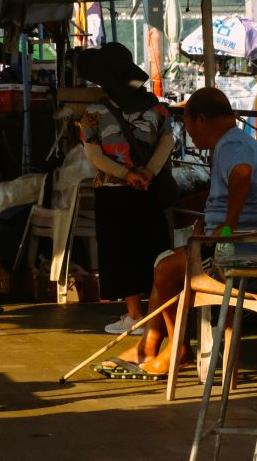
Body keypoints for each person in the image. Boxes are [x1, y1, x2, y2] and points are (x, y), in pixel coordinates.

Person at [130, 87, 257, 376]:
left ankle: (177, 348)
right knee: (166, 262)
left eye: (188, 125)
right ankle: (153, 342)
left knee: (166, 270)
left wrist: (226, 228)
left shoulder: (231, 146)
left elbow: (242, 174)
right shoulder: (235, 142)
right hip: (252, 245)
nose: (189, 133)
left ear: (201, 120)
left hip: (246, 250)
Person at [78, 43, 175, 352]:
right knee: (154, 252)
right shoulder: (156, 107)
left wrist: (125, 175)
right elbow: (168, 142)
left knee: (120, 253)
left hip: (113, 193)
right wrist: (147, 172)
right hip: (149, 191)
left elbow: (94, 156)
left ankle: (134, 315)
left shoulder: (93, 113)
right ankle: (158, 314)